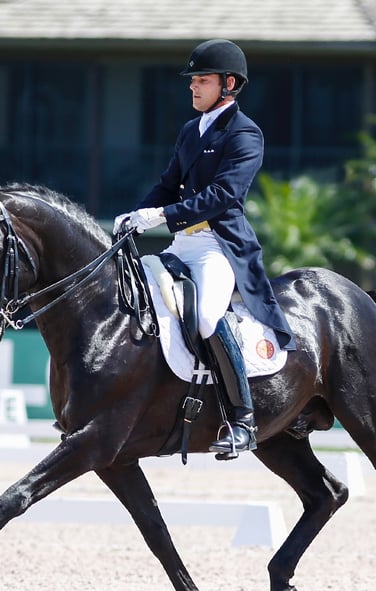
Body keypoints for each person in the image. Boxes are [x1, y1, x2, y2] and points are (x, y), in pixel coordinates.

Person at [114, 39, 295, 458]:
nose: (193, 88)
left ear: (228, 84)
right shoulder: (189, 130)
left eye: (202, 80)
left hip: (218, 247)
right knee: (132, 298)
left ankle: (242, 420)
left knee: (209, 319)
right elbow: (166, 182)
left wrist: (161, 216)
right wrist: (136, 213)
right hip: (182, 243)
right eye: (192, 80)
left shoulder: (245, 133)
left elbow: (224, 195)